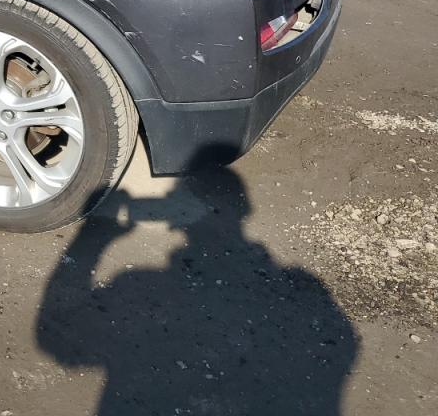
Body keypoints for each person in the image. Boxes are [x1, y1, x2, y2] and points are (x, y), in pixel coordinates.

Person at [37, 166, 358, 415]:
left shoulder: (140, 285)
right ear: (244, 211)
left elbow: (55, 339)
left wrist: (92, 239)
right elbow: (345, 345)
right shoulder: (307, 293)